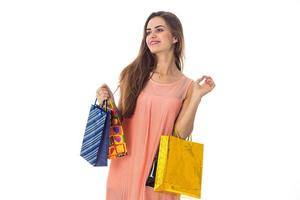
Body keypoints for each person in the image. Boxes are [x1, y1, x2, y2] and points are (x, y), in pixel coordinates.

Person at [96, 11, 215, 200]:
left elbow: (180, 135)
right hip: (125, 168)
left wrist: (196, 98)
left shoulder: (189, 86)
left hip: (159, 173)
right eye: (148, 31)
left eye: (159, 30)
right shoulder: (132, 74)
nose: (151, 35)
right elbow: (120, 121)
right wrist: (108, 101)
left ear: (175, 37)